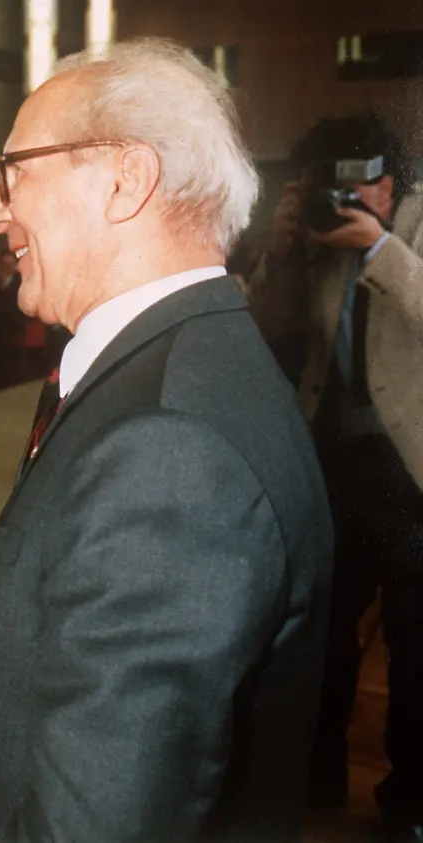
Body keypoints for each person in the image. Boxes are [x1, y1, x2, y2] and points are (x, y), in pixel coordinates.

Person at [0, 38, 334, 842]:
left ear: (125, 179)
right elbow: (60, 629)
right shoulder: (165, 369)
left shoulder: (172, 449)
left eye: (12, 173)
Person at [247, 114, 423, 840]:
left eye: (358, 180)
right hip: (330, 458)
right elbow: (264, 332)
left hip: (411, 467)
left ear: (391, 180)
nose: (342, 195)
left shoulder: (416, 222)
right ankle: (314, 774)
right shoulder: (312, 233)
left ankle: (410, 802)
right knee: (320, 630)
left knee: (416, 641)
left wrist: (380, 247)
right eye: (326, 182)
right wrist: (282, 252)